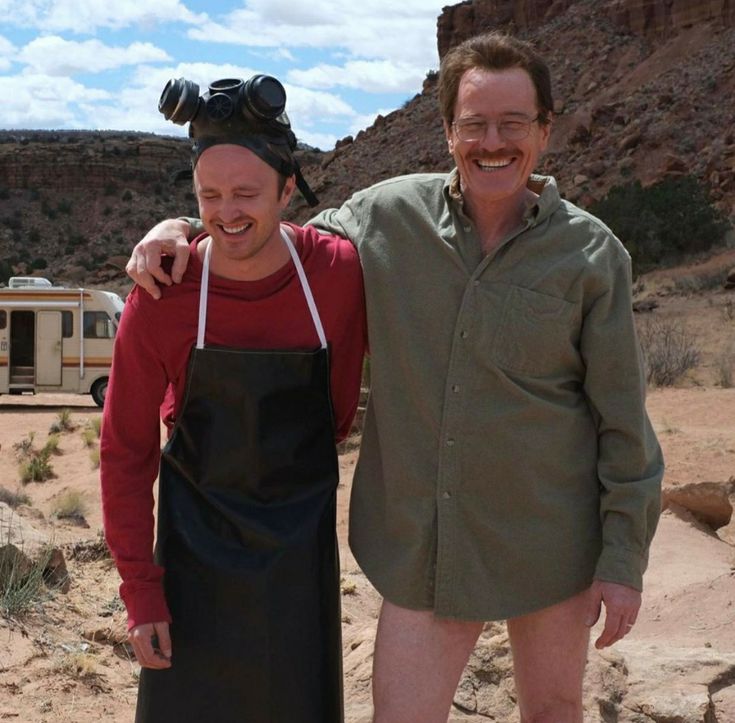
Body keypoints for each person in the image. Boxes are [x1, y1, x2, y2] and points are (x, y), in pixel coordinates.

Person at [126, 32, 664, 723]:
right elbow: (257, 231)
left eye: (511, 123)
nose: (491, 141)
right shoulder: (383, 217)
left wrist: (621, 561)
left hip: (552, 542)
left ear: (544, 130)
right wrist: (176, 228)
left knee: (554, 711)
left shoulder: (593, 255)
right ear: (445, 132)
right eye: (473, 124)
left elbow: (623, 425)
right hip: (423, 550)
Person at [100, 73, 366, 723]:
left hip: (298, 571)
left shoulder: (335, 274)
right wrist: (142, 594)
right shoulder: (161, 296)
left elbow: (336, 413)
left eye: (246, 192)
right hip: (191, 572)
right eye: (208, 195)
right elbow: (125, 452)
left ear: (285, 188)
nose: (227, 212)